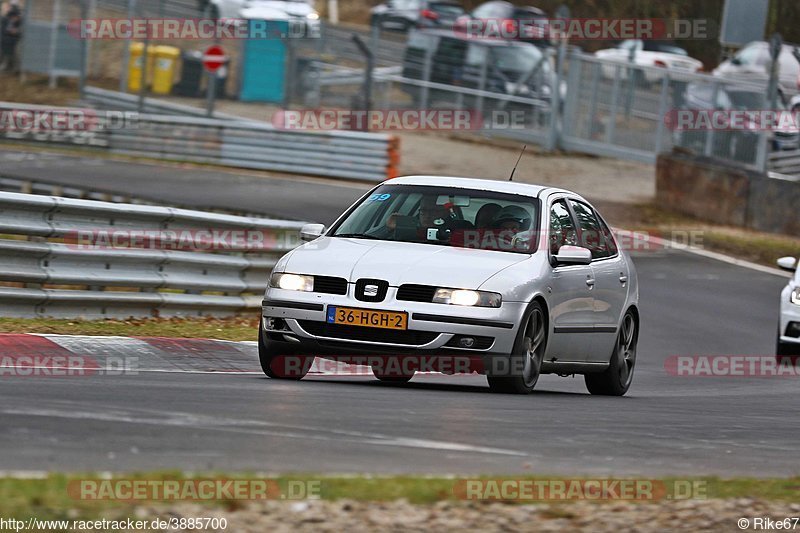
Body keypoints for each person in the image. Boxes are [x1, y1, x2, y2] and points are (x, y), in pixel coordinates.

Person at [0, 4, 22, 73]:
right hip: (7, 40)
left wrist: (16, 32)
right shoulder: (5, 19)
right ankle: (6, 65)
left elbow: (21, 32)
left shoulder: (20, 21)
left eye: (15, 16)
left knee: (15, 50)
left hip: (15, 40)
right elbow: (5, 30)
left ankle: (15, 68)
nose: (14, 18)